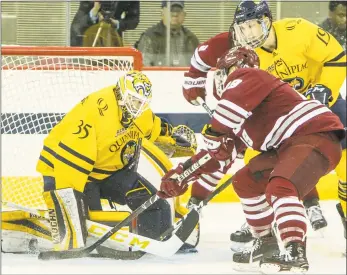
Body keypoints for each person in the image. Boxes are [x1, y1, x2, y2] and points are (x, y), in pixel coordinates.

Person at [158, 46, 345, 273]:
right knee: (246, 180)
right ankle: (266, 245)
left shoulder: (249, 76)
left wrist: (215, 133)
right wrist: (183, 174)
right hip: (290, 147)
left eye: (224, 72)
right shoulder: (245, 111)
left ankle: (294, 253)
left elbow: (221, 127)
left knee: (281, 186)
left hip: (314, 136)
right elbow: (219, 157)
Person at [182, 0, 346, 248]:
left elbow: (336, 57)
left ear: (267, 21)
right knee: (256, 165)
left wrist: (325, 89)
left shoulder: (298, 30)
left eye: (253, 26)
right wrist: (193, 79)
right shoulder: (243, 51)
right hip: (282, 119)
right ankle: (262, 223)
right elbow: (202, 54)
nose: (247, 34)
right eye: (243, 28)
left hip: (322, 108)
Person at [35, 70, 197, 253]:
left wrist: (172, 139)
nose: (138, 107)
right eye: (135, 101)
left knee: (154, 203)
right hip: (65, 172)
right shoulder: (93, 114)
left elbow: (154, 128)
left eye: (143, 103)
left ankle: (157, 238)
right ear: (120, 94)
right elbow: (69, 167)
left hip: (108, 172)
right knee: (82, 228)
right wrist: (69, 210)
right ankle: (55, 230)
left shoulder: (140, 111)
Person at [136, 1, 199, 66]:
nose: (175, 14)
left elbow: (199, 66)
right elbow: (143, 66)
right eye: (170, 10)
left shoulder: (191, 39)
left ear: (184, 15)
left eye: (178, 10)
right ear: (162, 13)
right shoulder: (150, 37)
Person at [70, 1, 139, 47]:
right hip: (89, 42)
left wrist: (117, 24)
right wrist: (94, 13)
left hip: (113, 40)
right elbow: (77, 25)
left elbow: (134, 20)